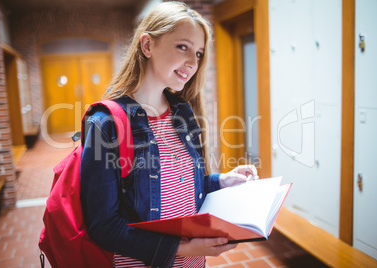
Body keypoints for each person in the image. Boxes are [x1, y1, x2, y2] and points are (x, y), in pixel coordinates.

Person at [80, 1, 258, 267]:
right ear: (147, 45)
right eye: (182, 46)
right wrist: (183, 248)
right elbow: (104, 226)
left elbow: (181, 188)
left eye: (198, 53)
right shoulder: (107, 124)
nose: (192, 62)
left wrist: (223, 181)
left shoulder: (183, 114)